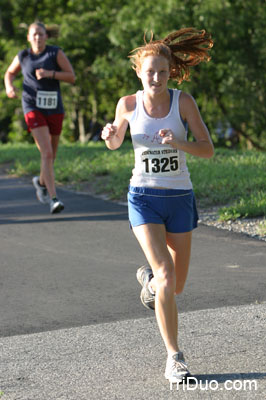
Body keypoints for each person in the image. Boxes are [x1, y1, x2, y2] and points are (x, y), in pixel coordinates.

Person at [101, 28, 214, 383]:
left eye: (162, 72)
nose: (156, 78)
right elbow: (117, 140)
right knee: (168, 275)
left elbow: (207, 148)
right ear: (138, 72)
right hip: (144, 197)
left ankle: (149, 283)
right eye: (150, 72)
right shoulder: (128, 104)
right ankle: (174, 358)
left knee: (174, 286)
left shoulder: (183, 102)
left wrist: (178, 142)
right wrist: (109, 135)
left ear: (171, 72)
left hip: (180, 198)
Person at [4, 21, 75, 214]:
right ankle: (53, 198)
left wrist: (50, 73)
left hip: (54, 108)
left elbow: (71, 76)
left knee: (51, 154)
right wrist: (9, 86)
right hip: (32, 106)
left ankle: (41, 181)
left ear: (46, 37)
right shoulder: (23, 56)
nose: (37, 37)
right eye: (34, 34)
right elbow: (9, 73)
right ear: (28, 37)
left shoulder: (55, 53)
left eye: (41, 34)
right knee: (47, 153)